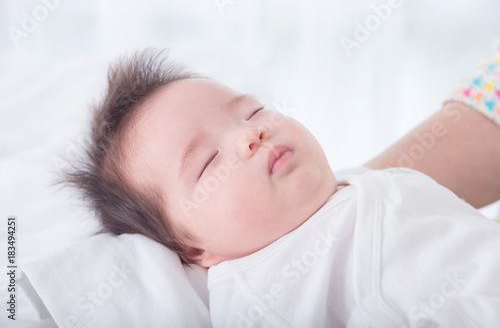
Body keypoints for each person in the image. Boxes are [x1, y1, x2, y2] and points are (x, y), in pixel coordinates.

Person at [62, 47, 500, 327]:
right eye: (210, 161)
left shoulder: (354, 191)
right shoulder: (266, 291)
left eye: (252, 112)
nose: (248, 137)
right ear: (195, 251)